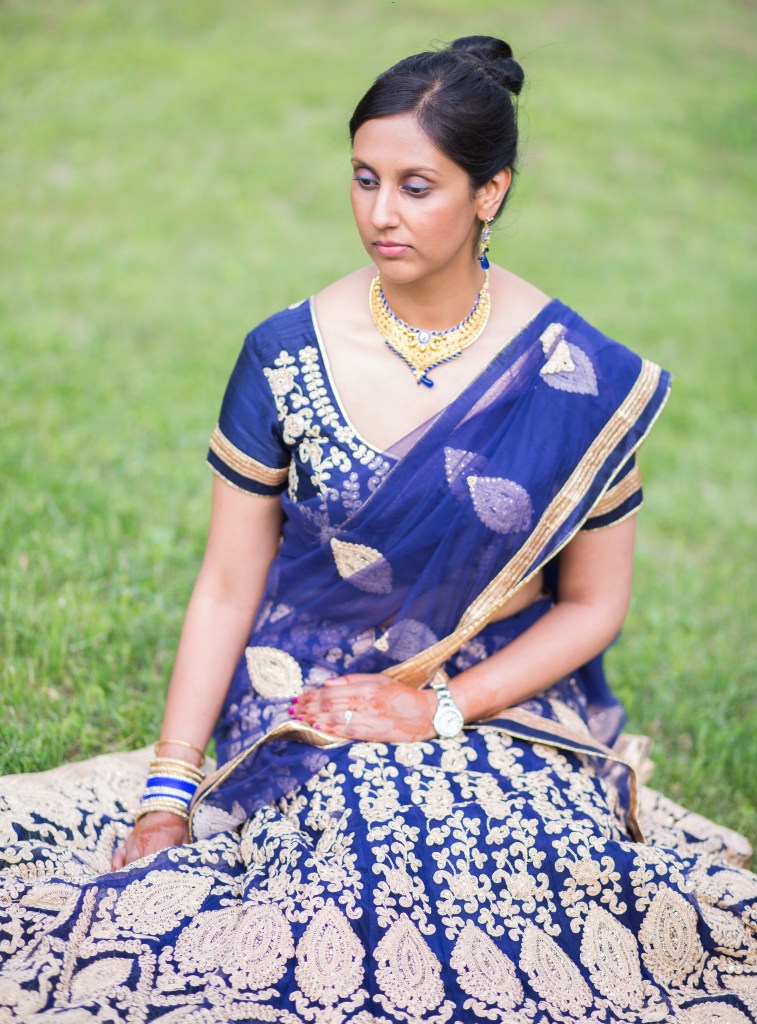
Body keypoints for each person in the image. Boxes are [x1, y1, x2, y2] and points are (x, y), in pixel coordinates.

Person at [0, 34, 755, 1024]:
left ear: (489, 193)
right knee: (369, 846)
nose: (380, 213)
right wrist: (166, 796)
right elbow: (228, 584)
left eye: (416, 186)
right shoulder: (283, 357)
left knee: (513, 865)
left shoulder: (575, 375)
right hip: (312, 685)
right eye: (364, 178)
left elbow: (593, 604)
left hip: (498, 694)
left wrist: (439, 709)